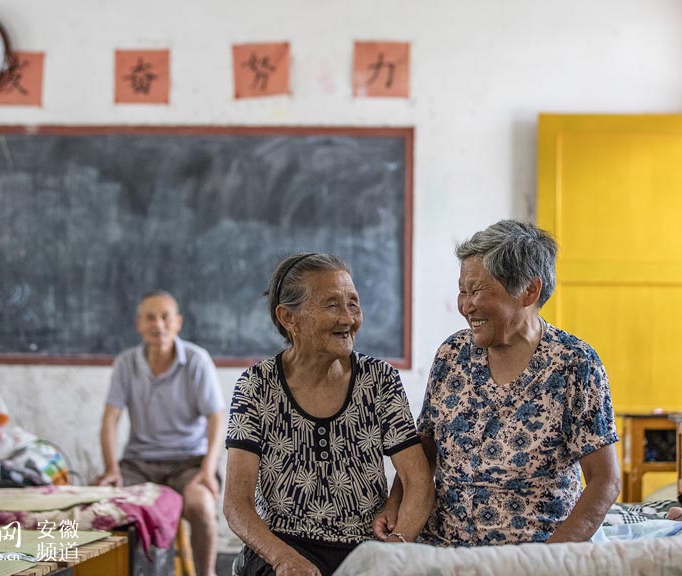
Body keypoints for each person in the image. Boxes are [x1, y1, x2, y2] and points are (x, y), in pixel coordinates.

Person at [376, 220, 621, 546]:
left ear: (529, 291)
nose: (466, 306)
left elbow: (605, 480)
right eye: (462, 291)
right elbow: (424, 453)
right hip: (443, 550)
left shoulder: (575, 365)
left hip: (532, 555)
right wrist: (395, 505)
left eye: (477, 291)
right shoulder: (452, 355)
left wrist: (549, 561)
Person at [224, 253, 434, 576]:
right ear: (288, 318)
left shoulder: (379, 379)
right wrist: (282, 558)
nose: (348, 318)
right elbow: (236, 506)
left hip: (365, 547)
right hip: (283, 543)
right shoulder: (257, 385)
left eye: (353, 304)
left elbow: (418, 481)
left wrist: (395, 547)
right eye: (332, 305)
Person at [94, 290, 225, 576]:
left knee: (201, 505)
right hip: (139, 464)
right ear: (138, 324)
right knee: (107, 505)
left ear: (178, 322)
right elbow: (109, 421)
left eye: (165, 317)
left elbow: (216, 418)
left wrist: (207, 469)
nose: (159, 324)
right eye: (150, 318)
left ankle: (207, 573)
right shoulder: (126, 364)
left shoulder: (196, 360)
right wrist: (111, 469)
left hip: (189, 462)